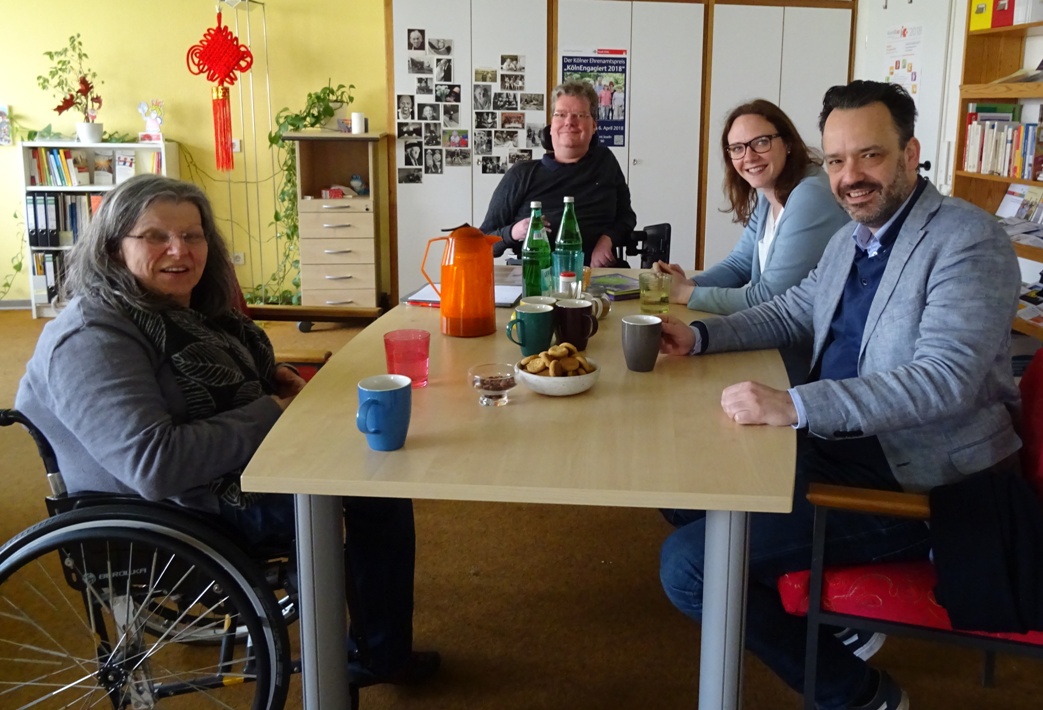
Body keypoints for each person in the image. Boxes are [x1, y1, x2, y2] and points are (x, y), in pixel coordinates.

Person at [656, 81, 1021, 710]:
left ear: (910, 154)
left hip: (922, 476)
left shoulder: (968, 240)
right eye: (835, 160)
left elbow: (945, 379)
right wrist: (699, 337)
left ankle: (859, 695)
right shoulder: (854, 235)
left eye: (869, 156)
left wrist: (794, 406)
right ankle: (823, 615)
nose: (850, 177)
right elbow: (792, 311)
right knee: (684, 488)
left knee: (693, 566)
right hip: (841, 444)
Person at [14, 174, 441, 689]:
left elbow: (201, 376)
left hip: (222, 474)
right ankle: (354, 661)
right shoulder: (91, 338)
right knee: (362, 490)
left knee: (379, 480)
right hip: (176, 510)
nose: (180, 249)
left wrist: (271, 373)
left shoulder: (176, 311)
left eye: (193, 235)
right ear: (112, 247)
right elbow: (156, 466)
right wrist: (268, 408)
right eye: (155, 236)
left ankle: (379, 650)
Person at [653, 99, 849, 384]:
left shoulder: (810, 196)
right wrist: (692, 284)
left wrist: (684, 294)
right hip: (771, 340)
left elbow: (769, 297)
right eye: (737, 148)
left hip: (800, 357)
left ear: (788, 143)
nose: (749, 156)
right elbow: (739, 264)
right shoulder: (770, 193)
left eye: (761, 142)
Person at [480, 79, 636, 267]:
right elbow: (482, 243)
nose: (569, 122)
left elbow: (626, 217)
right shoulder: (522, 174)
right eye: (561, 114)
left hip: (596, 274)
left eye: (579, 114)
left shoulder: (605, 162)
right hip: (535, 276)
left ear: (594, 125)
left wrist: (607, 240)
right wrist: (514, 232)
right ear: (551, 127)